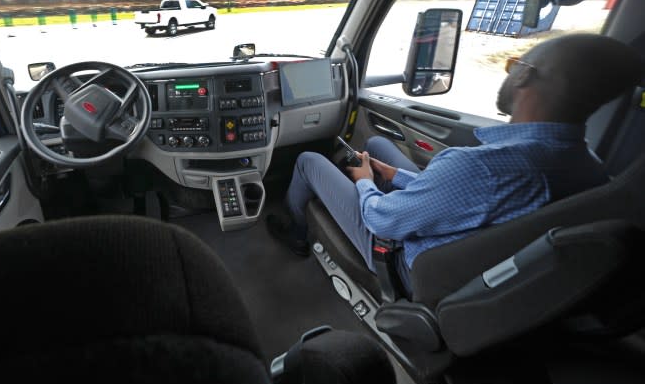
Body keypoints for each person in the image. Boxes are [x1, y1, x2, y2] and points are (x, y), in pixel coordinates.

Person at [267, 33, 644, 291]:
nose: (511, 72)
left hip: (410, 260)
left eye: (514, 64)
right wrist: (394, 176)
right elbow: (468, 199)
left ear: (525, 76)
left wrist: (366, 182)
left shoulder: (481, 167)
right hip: (474, 253)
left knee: (309, 160)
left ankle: (298, 233)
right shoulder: (588, 166)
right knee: (380, 143)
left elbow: (382, 219)